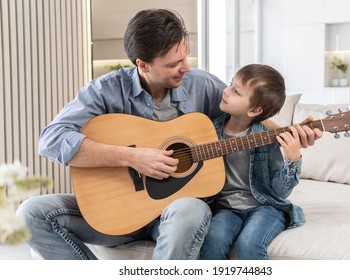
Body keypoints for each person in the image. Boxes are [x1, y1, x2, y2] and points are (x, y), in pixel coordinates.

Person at [17, 9, 320, 260]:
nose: (186, 69)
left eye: (186, 58)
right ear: (142, 64)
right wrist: (133, 157)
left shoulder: (200, 84)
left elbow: (249, 113)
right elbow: (51, 140)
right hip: (119, 209)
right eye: (174, 64)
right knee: (31, 212)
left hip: (175, 213)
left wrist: (289, 133)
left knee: (189, 209)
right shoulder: (105, 90)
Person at [199, 64, 304, 260]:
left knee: (248, 244)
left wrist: (293, 159)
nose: (226, 91)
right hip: (226, 208)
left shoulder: (264, 136)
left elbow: (279, 191)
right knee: (212, 242)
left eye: (236, 91)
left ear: (255, 110)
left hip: (265, 207)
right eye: (231, 84)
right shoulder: (209, 131)